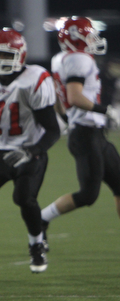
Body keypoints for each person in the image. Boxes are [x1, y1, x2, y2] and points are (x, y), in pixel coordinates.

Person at [0, 28, 60, 274]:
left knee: (24, 198)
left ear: (21, 57)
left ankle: (36, 242)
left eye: (5, 55)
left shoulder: (34, 79)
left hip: (29, 151)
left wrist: (32, 151)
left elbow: (52, 130)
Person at [41, 17, 120, 239]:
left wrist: (68, 120)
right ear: (76, 39)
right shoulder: (79, 59)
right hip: (86, 134)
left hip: (89, 132)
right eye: (88, 35)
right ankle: (41, 218)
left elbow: (59, 99)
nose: (93, 39)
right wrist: (105, 110)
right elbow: (74, 97)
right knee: (88, 195)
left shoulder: (60, 59)